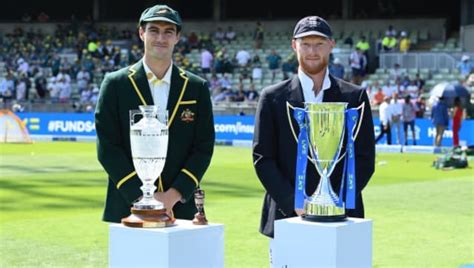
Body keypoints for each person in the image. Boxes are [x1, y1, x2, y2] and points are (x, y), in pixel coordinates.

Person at [252, 15, 375, 242]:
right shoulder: (272, 97)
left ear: (331, 45)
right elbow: (263, 158)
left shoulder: (355, 96)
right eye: (305, 44)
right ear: (294, 45)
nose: (312, 51)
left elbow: (365, 157)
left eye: (319, 43)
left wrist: (338, 202)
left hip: (343, 217)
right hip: (286, 216)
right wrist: (295, 202)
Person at [95, 4, 215, 224]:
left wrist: (171, 197)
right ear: (141, 33)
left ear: (178, 37)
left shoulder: (196, 87)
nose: (161, 38)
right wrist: (144, 199)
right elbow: (108, 148)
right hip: (128, 205)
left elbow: (204, 148)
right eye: (154, 30)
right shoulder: (115, 84)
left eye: (168, 31)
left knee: (183, 260)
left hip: (180, 207)